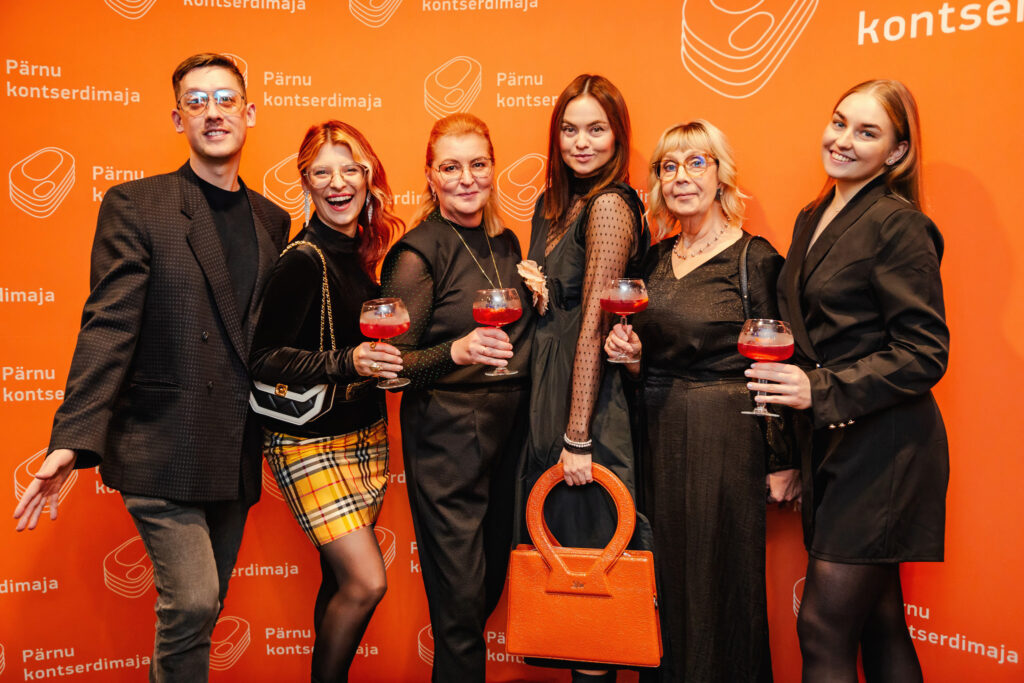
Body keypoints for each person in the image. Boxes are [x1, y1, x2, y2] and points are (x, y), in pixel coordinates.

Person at [12, 53, 290, 681]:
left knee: (204, 610)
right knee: (191, 601)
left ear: (249, 112)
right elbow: (109, 324)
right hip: (161, 440)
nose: (213, 112)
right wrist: (71, 439)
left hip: (234, 446)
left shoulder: (273, 220)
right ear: (177, 118)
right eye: (196, 101)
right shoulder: (139, 204)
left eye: (225, 99)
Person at [748, 80, 949, 682]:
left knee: (822, 629)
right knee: (881, 624)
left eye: (867, 132)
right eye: (839, 122)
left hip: (884, 450)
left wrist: (819, 390)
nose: (842, 140)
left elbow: (925, 352)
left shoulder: (899, 224)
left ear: (896, 152)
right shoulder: (813, 216)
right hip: (832, 443)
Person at [604, 120, 800, 682]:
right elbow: (651, 359)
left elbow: (775, 362)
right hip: (658, 437)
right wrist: (631, 358)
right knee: (663, 583)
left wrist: (782, 457)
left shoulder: (754, 258)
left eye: (696, 163)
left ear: (720, 176)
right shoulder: (653, 260)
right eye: (669, 166)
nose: (681, 177)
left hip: (727, 437)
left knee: (723, 581)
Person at [380, 112, 534, 683]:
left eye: (478, 164)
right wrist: (456, 352)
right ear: (430, 175)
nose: (467, 178)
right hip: (448, 438)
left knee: (487, 589)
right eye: (451, 167)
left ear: (494, 168)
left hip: (507, 437)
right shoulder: (416, 256)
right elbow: (391, 369)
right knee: (460, 607)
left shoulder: (505, 242)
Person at [249, 120, 404, 682]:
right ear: (306, 183)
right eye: (322, 173)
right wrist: (349, 362)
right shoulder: (303, 258)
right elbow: (262, 357)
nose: (338, 183)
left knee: (338, 580)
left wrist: (384, 370)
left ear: (368, 178)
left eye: (350, 170)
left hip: (365, 436)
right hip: (308, 443)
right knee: (366, 582)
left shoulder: (359, 252)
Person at [518, 74, 650, 683]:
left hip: (589, 407)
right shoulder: (553, 205)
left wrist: (577, 436)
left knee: (593, 583)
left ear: (618, 135)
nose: (581, 142)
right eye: (570, 129)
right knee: (566, 578)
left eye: (596, 129)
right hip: (548, 397)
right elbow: (566, 310)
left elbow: (595, 325)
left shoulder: (610, 206)